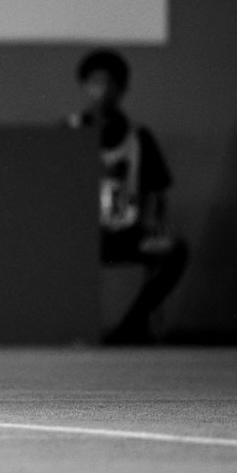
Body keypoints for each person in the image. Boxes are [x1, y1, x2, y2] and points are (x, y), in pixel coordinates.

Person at [68, 48, 189, 344]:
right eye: (95, 82)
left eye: (110, 82)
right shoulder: (67, 132)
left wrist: (155, 222)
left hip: (127, 234)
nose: (102, 90)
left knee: (175, 251)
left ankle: (130, 327)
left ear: (122, 89)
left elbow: (158, 192)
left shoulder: (139, 138)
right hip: (78, 237)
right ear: (83, 86)